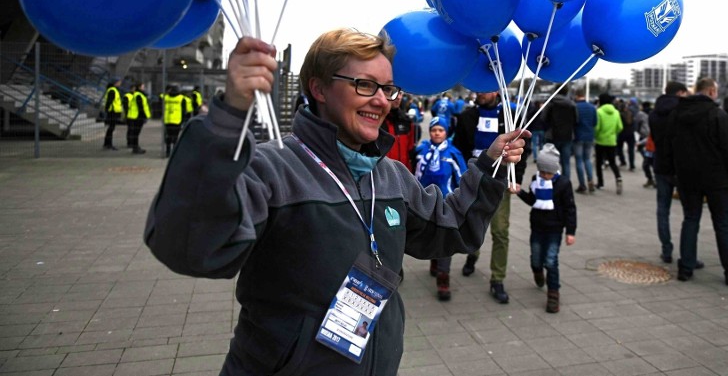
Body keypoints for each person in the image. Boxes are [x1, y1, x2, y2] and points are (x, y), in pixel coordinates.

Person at [144, 30, 529, 376]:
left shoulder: (392, 176)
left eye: (388, 89)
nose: (382, 100)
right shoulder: (271, 169)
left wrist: (489, 165)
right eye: (365, 85)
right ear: (319, 88)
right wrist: (226, 122)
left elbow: (453, 230)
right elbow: (192, 250)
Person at [660, 77, 728, 287]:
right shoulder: (718, 115)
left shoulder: (677, 114)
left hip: (686, 176)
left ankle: (686, 267)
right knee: (722, 223)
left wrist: (669, 173)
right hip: (715, 177)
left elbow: (668, 146)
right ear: (711, 91)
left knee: (690, 219)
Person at [454, 90, 530, 304]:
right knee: (473, 225)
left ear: (496, 90)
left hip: (501, 182)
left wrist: (518, 177)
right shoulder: (467, 117)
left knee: (500, 231)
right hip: (473, 180)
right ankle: (472, 254)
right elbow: (459, 148)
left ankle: (497, 278)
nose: (478, 92)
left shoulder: (509, 116)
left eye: (484, 88)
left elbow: (523, 149)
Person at [516, 143, 576, 314]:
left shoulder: (563, 184)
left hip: (555, 229)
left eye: (548, 173)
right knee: (536, 257)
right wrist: (520, 192)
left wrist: (570, 232)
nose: (545, 175)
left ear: (555, 170)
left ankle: (553, 294)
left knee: (551, 260)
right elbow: (532, 200)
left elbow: (570, 209)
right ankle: (537, 270)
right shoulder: (536, 180)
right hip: (537, 227)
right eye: (542, 172)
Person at [413, 116, 467, 301]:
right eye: (434, 130)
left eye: (441, 130)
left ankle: (443, 278)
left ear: (446, 132)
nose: (437, 133)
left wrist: (462, 201)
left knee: (445, 239)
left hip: (446, 204)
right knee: (430, 235)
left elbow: (462, 178)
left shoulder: (452, 153)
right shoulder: (421, 151)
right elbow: (415, 176)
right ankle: (434, 260)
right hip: (426, 203)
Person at [649, 82, 690, 264]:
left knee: (662, 209)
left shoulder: (654, 113)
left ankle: (666, 249)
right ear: (680, 93)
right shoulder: (684, 112)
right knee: (690, 212)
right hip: (681, 165)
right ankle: (688, 253)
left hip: (661, 163)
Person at [594, 93, 623, 193]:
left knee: (598, 162)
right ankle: (618, 177)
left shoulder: (599, 112)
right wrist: (613, 133)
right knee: (612, 162)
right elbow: (620, 127)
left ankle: (600, 183)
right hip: (612, 141)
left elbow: (597, 128)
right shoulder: (616, 112)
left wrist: (596, 136)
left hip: (600, 141)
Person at [381, 93, 417, 172]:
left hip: (404, 174)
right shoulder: (377, 120)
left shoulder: (407, 121)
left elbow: (411, 150)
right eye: (394, 92)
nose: (398, 97)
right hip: (383, 175)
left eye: (400, 93)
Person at [572, 89, 597, 194]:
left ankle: (582, 185)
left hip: (578, 136)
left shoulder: (575, 107)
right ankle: (590, 180)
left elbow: (574, 122)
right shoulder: (592, 107)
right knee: (587, 159)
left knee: (579, 161)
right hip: (589, 136)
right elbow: (595, 122)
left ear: (577, 96)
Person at [161, 85, 187, 157]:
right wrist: (183, 120)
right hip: (177, 120)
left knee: (168, 136)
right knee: (175, 137)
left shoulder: (166, 98)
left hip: (168, 119)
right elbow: (184, 110)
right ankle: (174, 152)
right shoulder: (181, 98)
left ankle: (167, 152)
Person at [125, 83, 151, 154]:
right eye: (143, 86)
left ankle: (136, 147)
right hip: (137, 117)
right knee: (136, 133)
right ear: (139, 87)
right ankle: (135, 148)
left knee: (136, 133)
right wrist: (144, 116)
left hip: (136, 116)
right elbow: (141, 107)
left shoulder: (138, 94)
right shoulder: (139, 95)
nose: (144, 88)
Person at [635, 101, 654, 187]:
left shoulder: (641, 114)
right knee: (646, 165)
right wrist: (640, 143)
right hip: (649, 148)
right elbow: (649, 137)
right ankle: (650, 179)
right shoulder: (654, 124)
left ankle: (653, 180)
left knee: (651, 165)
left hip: (653, 148)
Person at [101, 79, 123, 151]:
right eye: (119, 82)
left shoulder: (114, 90)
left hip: (114, 111)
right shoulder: (112, 90)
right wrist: (107, 110)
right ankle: (108, 144)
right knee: (111, 128)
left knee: (111, 128)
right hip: (112, 112)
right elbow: (109, 101)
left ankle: (107, 143)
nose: (120, 83)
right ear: (115, 83)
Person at [616, 98, 637, 171]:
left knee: (619, 148)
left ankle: (622, 161)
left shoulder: (619, 114)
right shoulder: (631, 114)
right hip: (630, 133)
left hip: (622, 133)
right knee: (631, 150)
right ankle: (632, 165)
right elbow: (634, 123)